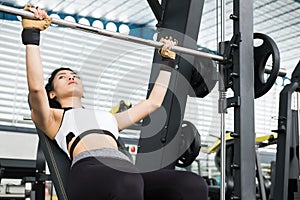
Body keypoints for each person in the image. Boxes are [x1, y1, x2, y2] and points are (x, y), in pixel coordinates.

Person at [22, 5, 208, 200]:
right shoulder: (53, 117)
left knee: (191, 185)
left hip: (125, 170)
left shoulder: (108, 118)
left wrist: (167, 63)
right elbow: (35, 88)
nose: (71, 77)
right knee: (127, 182)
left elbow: (152, 103)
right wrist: (31, 35)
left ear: (83, 92)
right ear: (51, 94)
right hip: (89, 171)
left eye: (74, 75)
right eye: (62, 77)